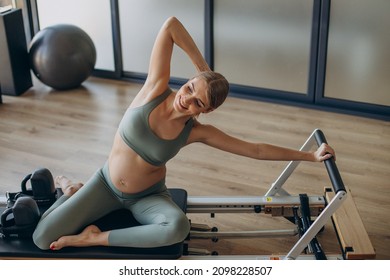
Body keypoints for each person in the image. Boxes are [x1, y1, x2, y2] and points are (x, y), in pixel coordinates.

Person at [32, 17, 335, 251]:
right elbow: (171, 25)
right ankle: (73, 190)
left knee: (177, 227)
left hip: (146, 197)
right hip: (105, 184)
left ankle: (93, 239)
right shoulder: (155, 86)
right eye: (190, 87)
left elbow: (254, 150)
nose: (186, 99)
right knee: (42, 237)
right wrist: (204, 70)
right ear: (189, 80)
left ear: (205, 110)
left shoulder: (196, 132)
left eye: (198, 102)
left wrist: (309, 156)